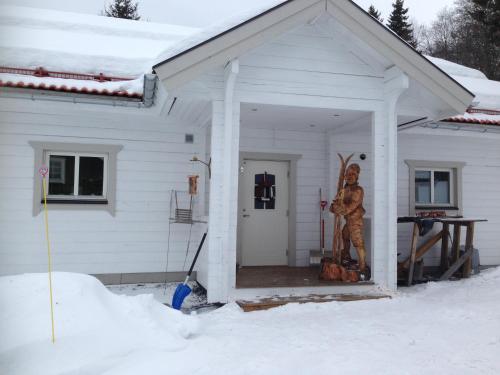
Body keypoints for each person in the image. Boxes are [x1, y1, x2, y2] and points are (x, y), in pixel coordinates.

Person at [330, 163, 367, 275]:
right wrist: (334, 206)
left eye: (352, 174)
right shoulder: (344, 189)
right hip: (348, 220)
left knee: (357, 242)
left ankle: (362, 266)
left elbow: (350, 207)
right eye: (347, 174)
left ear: (357, 176)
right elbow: (335, 203)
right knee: (345, 235)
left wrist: (339, 208)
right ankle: (346, 255)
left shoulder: (358, 190)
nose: (349, 176)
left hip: (355, 221)